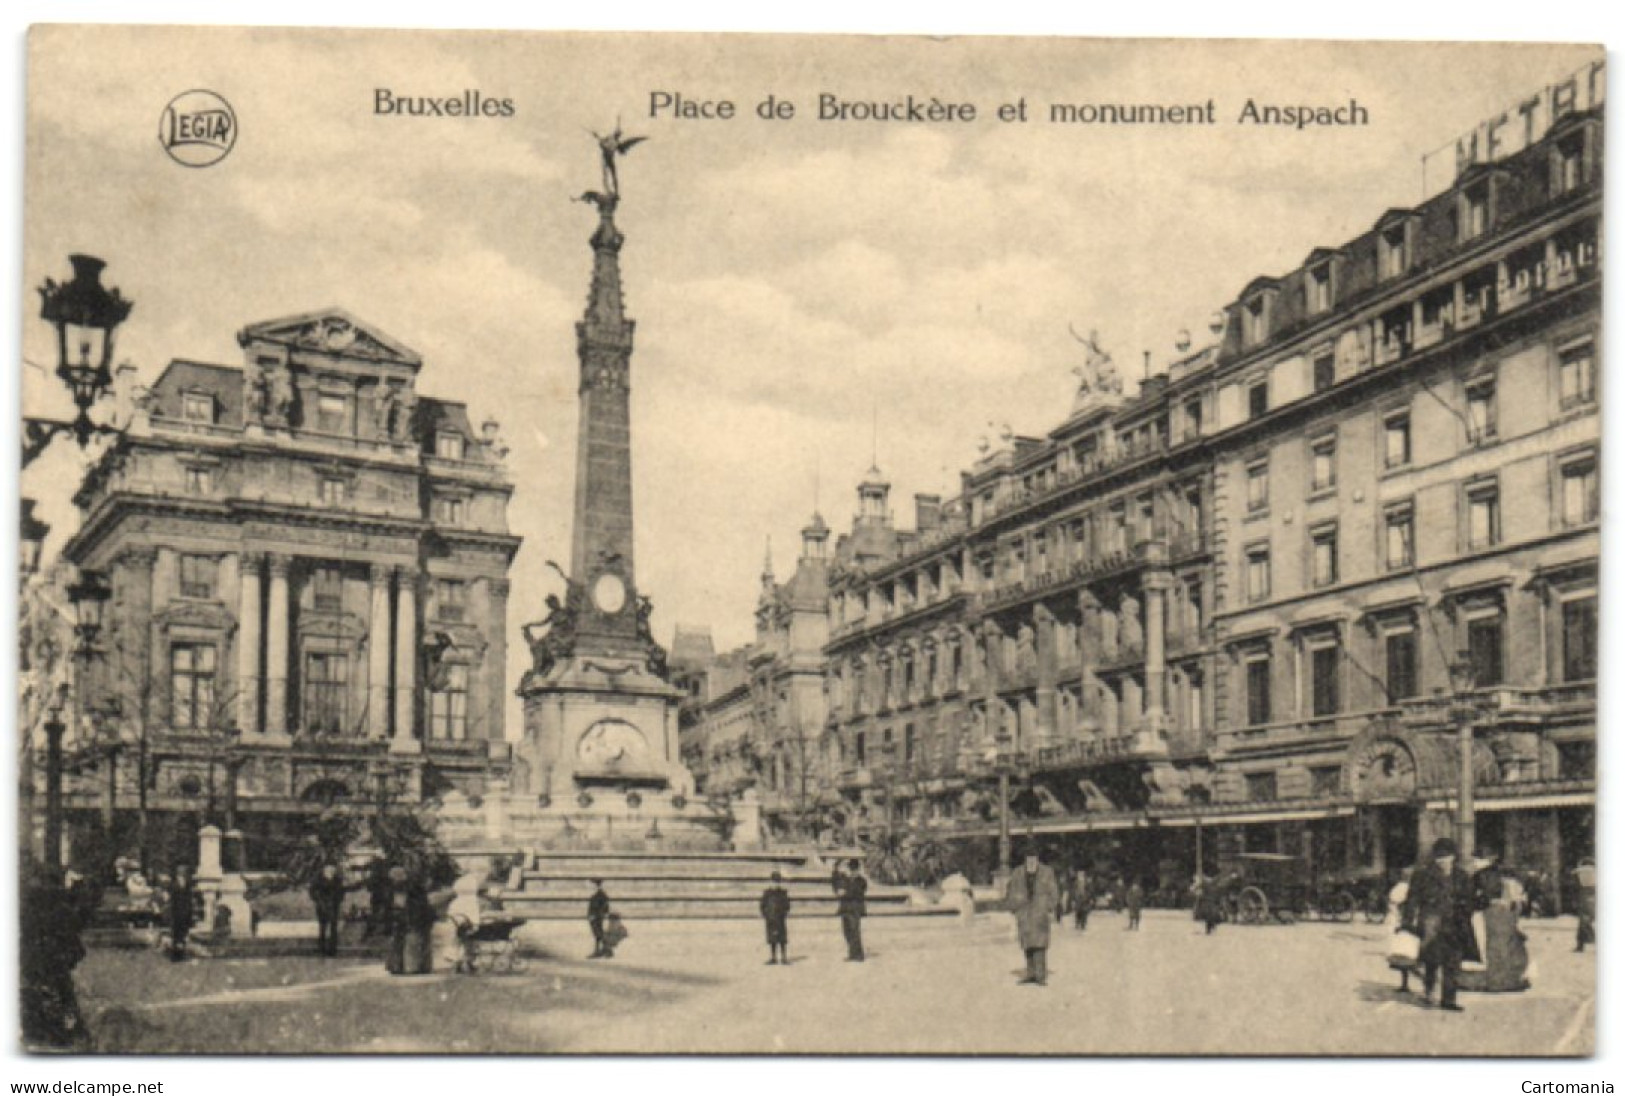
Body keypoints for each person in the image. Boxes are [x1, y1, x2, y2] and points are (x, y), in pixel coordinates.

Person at [1402, 838, 1480, 1012]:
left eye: (1446, 857)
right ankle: (1430, 992)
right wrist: (1407, 921)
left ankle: (1449, 999)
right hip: (1432, 923)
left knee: (1453, 962)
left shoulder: (1462, 876)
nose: (1443, 861)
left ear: (1453, 857)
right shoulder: (1422, 875)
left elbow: (1469, 899)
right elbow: (1412, 899)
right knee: (1432, 959)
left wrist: (1467, 911)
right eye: (1439, 857)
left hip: (1456, 923)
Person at [20, 862, 89, 1050]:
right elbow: (74, 925)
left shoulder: (31, 903)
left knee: (48, 990)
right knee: (58, 991)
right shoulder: (56, 906)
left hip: (40, 955)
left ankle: (52, 1028)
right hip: (50, 955)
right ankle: (62, 1029)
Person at [1006, 846, 1061, 986]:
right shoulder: (1017, 873)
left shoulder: (1047, 872)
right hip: (1024, 914)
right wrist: (1014, 907)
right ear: (1025, 860)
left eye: (1033, 858)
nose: (1031, 861)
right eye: (1028, 859)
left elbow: (1053, 891)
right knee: (1027, 944)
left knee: (1040, 945)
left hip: (1040, 914)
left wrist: (1049, 907)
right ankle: (1030, 973)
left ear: (1037, 859)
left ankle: (1040, 975)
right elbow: (1011, 890)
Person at [385, 866, 434, 976]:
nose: (393, 881)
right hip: (406, 917)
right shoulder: (400, 888)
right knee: (405, 942)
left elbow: (415, 905)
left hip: (413, 917)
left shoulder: (410, 888)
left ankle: (410, 967)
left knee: (412, 941)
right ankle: (404, 966)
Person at [1385, 868, 1417, 992]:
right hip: (1402, 921)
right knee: (1407, 952)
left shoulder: (1400, 888)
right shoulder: (1405, 888)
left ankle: (1405, 982)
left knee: (1404, 952)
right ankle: (1405, 982)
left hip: (1400, 921)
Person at [309, 863, 346, 958]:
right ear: (324, 869)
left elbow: (341, 892)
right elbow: (313, 892)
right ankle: (322, 948)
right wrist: (319, 900)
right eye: (329, 869)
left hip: (333, 906)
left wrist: (337, 900)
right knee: (323, 927)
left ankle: (332, 949)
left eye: (332, 869)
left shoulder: (337, 880)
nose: (331, 871)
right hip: (322, 906)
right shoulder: (318, 880)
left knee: (333, 927)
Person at [167, 865, 199, 962]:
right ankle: (175, 955)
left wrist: (190, 911)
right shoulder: (173, 884)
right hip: (176, 912)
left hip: (185, 912)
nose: (182, 874)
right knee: (176, 935)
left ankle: (182, 954)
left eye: (184, 872)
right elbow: (172, 900)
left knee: (183, 934)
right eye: (180, 872)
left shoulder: (188, 883)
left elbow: (189, 898)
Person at [838, 859, 868, 962]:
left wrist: (845, 893)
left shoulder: (861, 880)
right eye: (851, 869)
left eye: (853, 869)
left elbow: (857, 892)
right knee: (847, 931)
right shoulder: (846, 879)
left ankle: (859, 954)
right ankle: (852, 953)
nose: (851, 871)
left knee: (855, 931)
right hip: (845, 908)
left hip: (855, 908)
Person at [760, 870, 791, 965]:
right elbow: (762, 904)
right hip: (771, 917)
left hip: (780, 917)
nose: (775, 884)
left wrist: (784, 913)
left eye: (777, 882)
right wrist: (766, 914)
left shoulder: (783, 892)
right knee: (772, 939)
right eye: (774, 881)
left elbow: (787, 905)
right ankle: (773, 957)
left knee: (782, 939)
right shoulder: (767, 893)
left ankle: (784, 957)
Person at [1574, 858, 1596, 953]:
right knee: (1586, 922)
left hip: (1585, 894)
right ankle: (1581, 945)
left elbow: (1574, 872)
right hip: (1593, 893)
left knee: (1584, 923)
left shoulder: (1582, 871)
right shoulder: (1595, 871)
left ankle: (1581, 945)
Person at [588, 879, 612, 959]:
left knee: (599, 934)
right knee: (597, 935)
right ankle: (601, 951)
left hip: (597, 917)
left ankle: (606, 950)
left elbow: (605, 906)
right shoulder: (596, 894)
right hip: (594, 916)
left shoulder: (600, 895)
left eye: (593, 885)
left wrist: (599, 915)